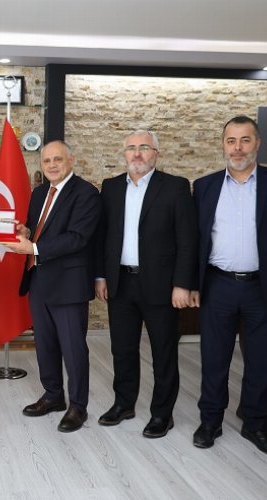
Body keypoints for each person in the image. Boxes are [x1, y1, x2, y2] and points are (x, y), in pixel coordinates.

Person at [192, 115, 267, 456]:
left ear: (257, 143)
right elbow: (195, 241)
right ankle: (210, 421)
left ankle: (255, 425)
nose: (237, 148)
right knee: (214, 359)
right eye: (231, 141)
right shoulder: (205, 186)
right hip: (218, 286)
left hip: (264, 289)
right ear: (223, 145)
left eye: (245, 140)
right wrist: (191, 283)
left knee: (262, 360)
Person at [95, 130, 197, 438]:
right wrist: (101, 276)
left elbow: (187, 239)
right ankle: (123, 403)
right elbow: (103, 236)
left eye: (144, 148)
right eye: (131, 148)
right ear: (124, 154)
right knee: (122, 349)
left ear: (156, 153)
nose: (137, 153)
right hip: (120, 282)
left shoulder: (176, 187)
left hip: (161, 286)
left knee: (163, 352)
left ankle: (162, 414)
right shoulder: (111, 187)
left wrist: (182, 284)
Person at [5, 140, 100, 432]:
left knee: (73, 349)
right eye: (46, 161)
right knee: (45, 344)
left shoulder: (86, 193)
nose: (52, 165)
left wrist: (32, 247)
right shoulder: (39, 194)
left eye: (58, 159)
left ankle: (78, 407)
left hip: (68, 284)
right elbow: (39, 230)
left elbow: (77, 238)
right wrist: (26, 231)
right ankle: (53, 396)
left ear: (71, 160)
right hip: (39, 280)